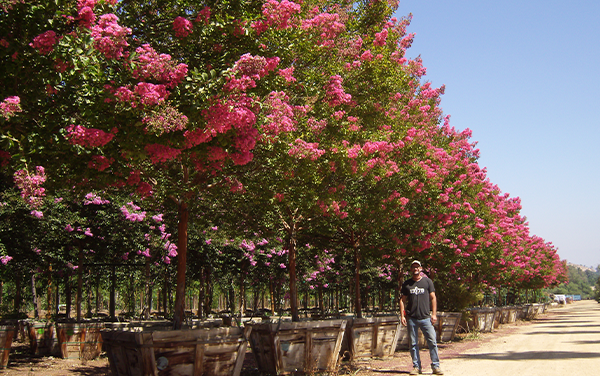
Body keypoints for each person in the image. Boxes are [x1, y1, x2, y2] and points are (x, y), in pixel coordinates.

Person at [400, 260, 444, 375]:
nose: (415, 269)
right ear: (411, 269)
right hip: (412, 318)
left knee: (432, 342)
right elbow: (402, 300)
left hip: (425, 318)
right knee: (413, 344)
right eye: (413, 267)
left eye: (417, 267)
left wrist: (434, 314)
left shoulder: (427, 282)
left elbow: (433, 298)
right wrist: (402, 315)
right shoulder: (407, 284)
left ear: (421, 269)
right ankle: (416, 367)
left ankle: (436, 366)